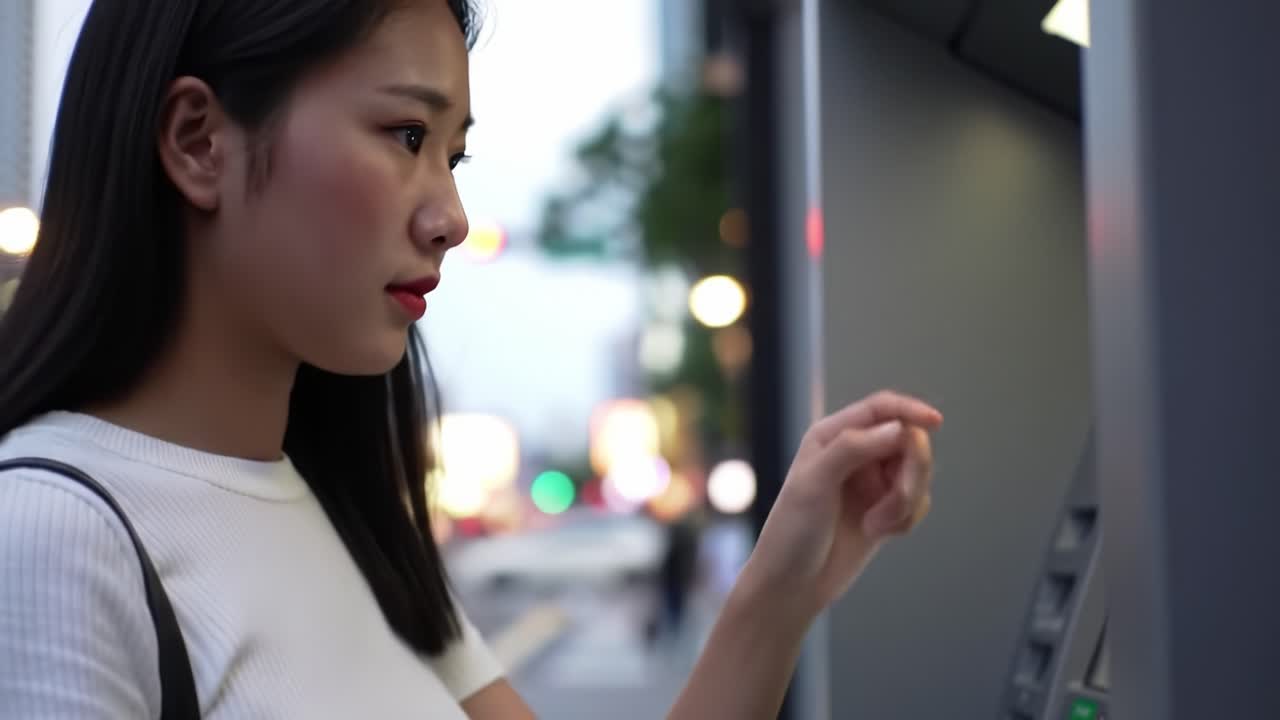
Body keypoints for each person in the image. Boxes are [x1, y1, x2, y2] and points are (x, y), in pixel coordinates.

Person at [0, 1, 943, 718]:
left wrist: (789, 580)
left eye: (452, 155)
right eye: (406, 136)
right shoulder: (50, 534)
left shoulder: (356, 517)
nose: (449, 217)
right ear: (198, 141)